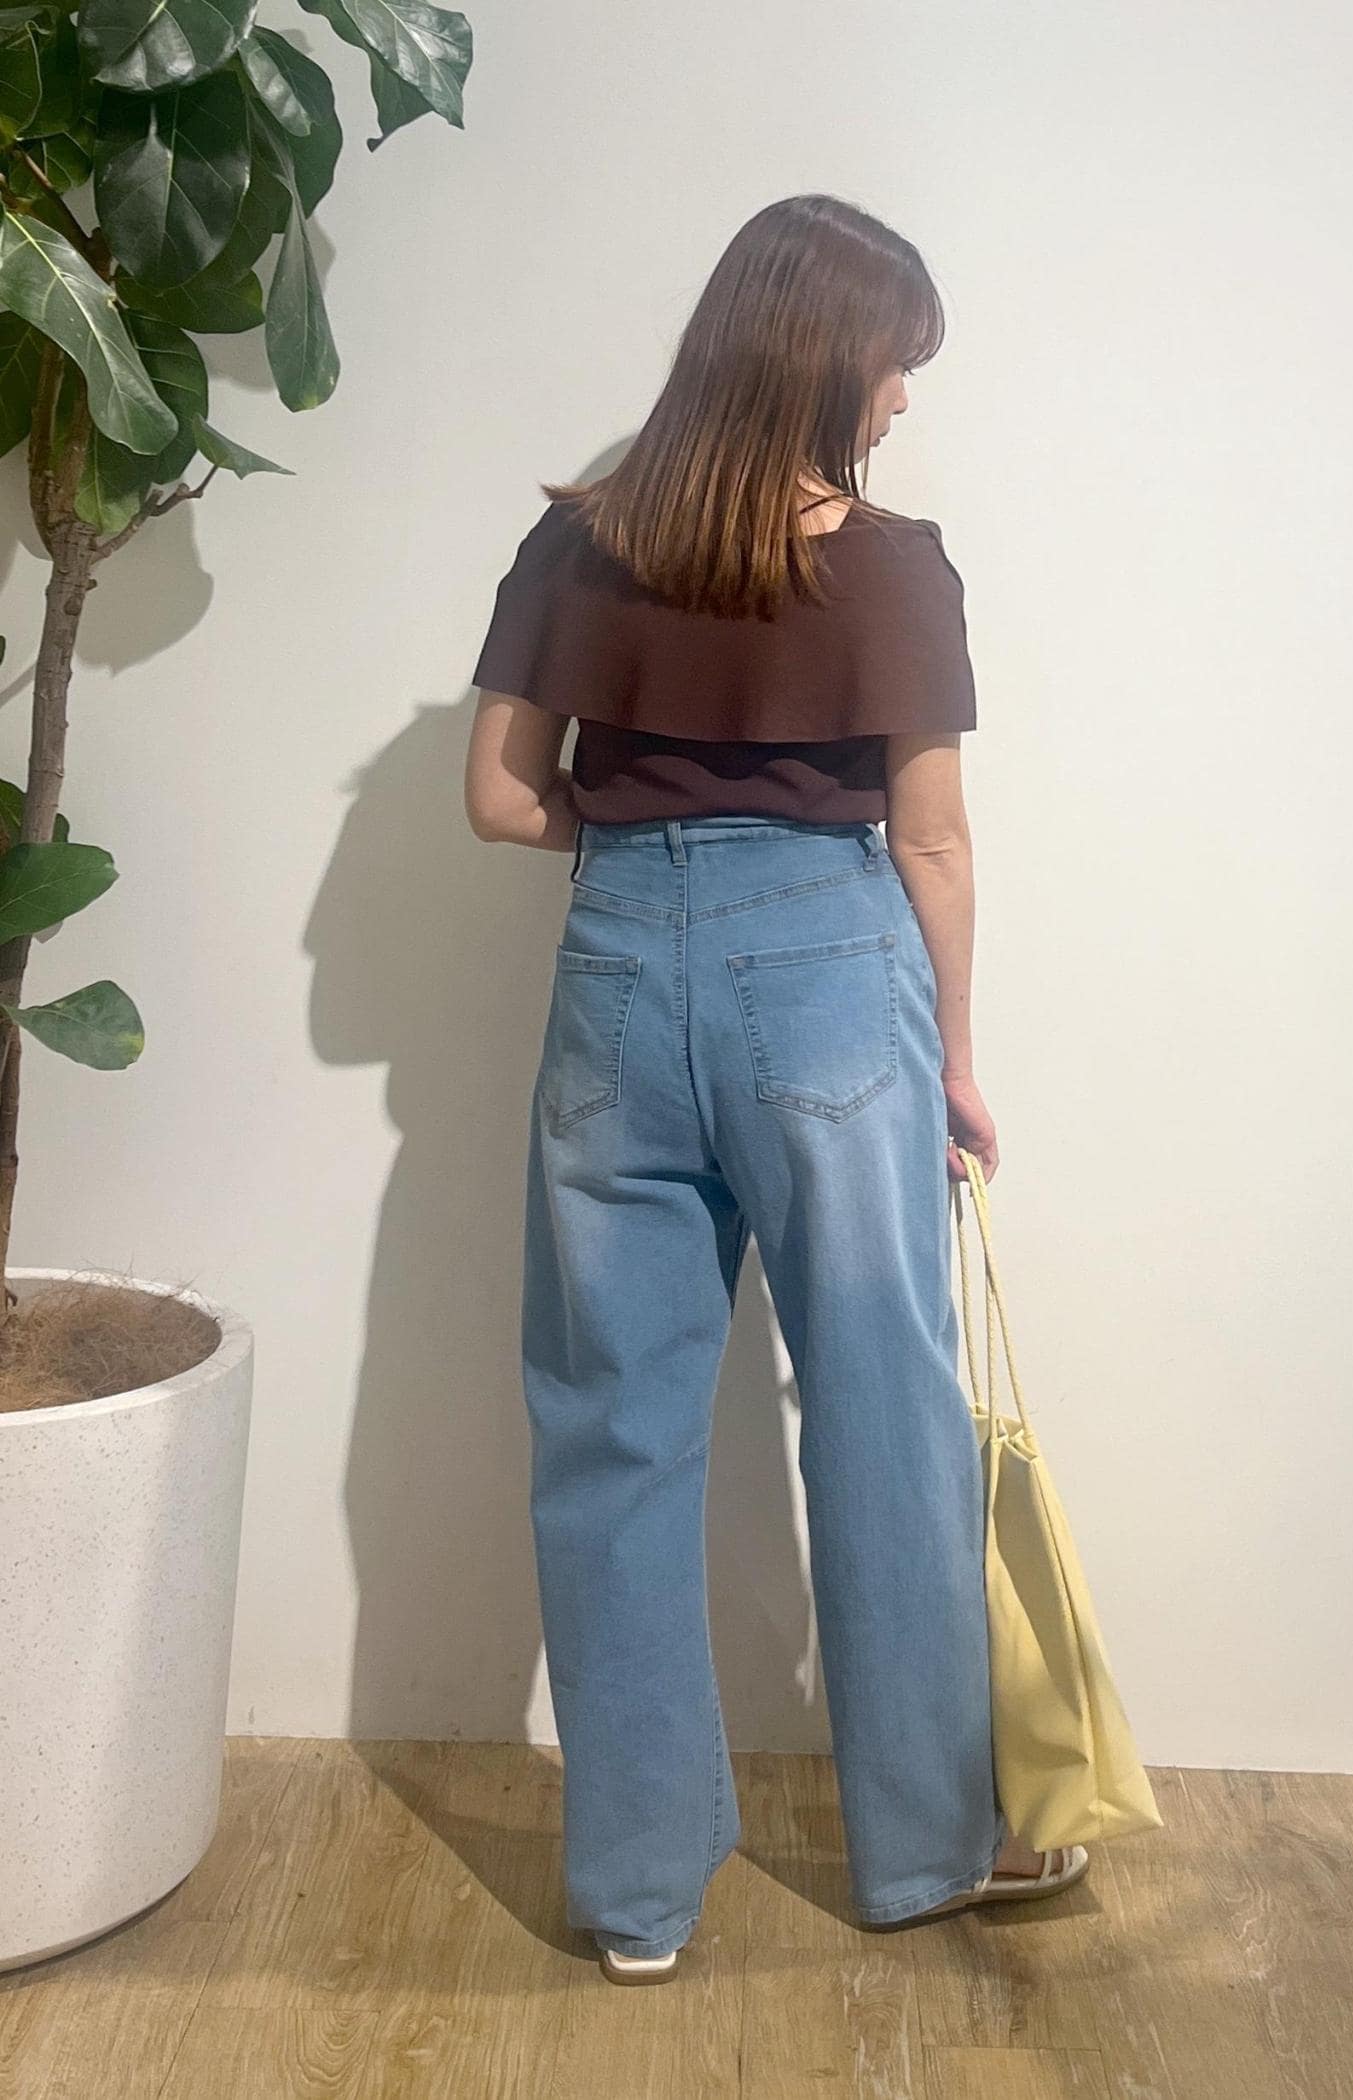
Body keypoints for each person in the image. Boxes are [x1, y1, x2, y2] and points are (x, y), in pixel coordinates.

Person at [463, 193, 1089, 1986]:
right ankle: (930, 1849)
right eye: (895, 363)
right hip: (824, 971)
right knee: (885, 1404)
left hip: (615, 972)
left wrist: (646, 847)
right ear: (825, 360)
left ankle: (637, 1895)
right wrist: (953, 1056)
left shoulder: (577, 543)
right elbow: (934, 842)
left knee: (612, 1426)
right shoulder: (892, 567)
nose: (903, 397)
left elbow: (501, 800)